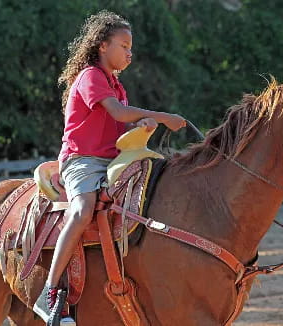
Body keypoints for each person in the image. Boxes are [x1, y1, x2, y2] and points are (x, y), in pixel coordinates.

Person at [33, 10, 186, 326]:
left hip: (111, 160)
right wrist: (159, 115)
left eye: (131, 48)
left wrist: (142, 128)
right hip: (82, 161)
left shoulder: (117, 86)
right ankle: (50, 291)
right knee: (83, 208)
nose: (130, 53)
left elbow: (118, 130)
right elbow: (116, 113)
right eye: (124, 45)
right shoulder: (90, 76)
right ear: (103, 45)